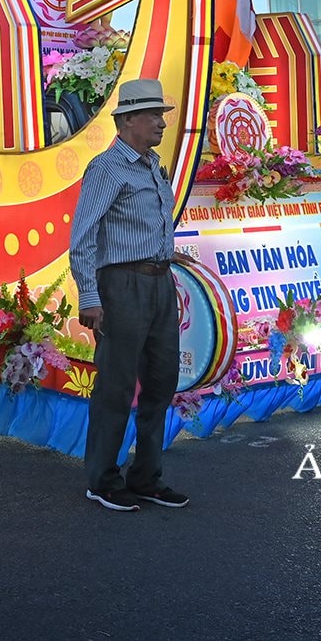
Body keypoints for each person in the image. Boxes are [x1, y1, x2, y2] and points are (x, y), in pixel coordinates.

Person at [68, 78, 188, 513]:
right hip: (121, 286)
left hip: (159, 283)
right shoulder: (106, 168)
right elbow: (83, 237)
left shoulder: (154, 166)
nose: (161, 123)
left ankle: (146, 476)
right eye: (153, 115)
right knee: (116, 386)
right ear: (128, 120)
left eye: (162, 115)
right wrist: (89, 296)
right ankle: (102, 479)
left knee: (161, 381)